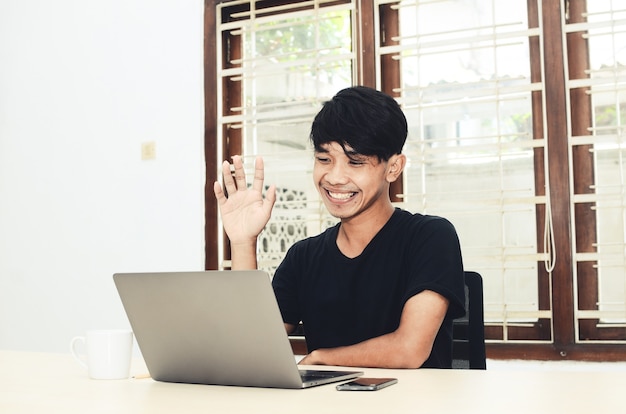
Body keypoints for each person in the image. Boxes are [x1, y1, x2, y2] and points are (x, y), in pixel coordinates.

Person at [213, 86, 465, 369]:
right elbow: (250, 348)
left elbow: (410, 349)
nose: (334, 177)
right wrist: (243, 242)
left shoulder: (431, 237)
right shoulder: (303, 257)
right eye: (324, 159)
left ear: (393, 168)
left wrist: (322, 358)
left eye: (355, 162)